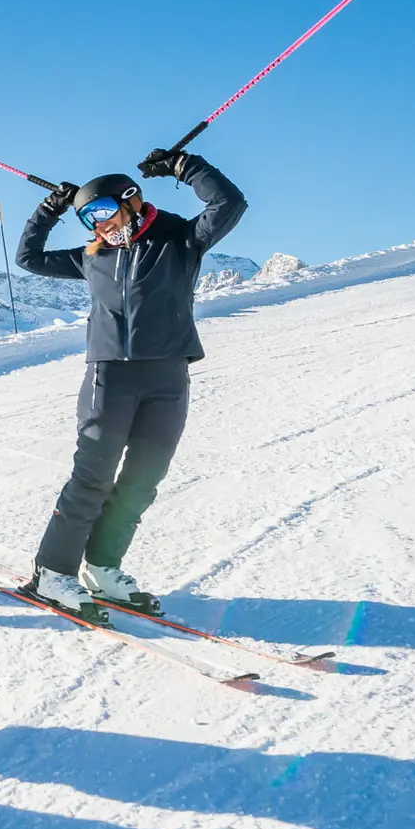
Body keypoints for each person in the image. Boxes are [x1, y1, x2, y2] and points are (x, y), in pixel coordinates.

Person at [14, 147, 248, 618]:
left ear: (131, 199)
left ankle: (102, 568)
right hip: (110, 375)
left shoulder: (179, 239)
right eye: (88, 219)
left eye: (103, 212)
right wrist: (48, 210)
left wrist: (186, 167)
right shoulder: (92, 257)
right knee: (93, 475)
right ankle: (52, 572)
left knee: (143, 480)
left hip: (167, 377)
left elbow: (229, 205)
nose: (99, 225)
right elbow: (28, 258)